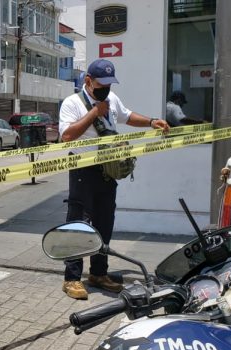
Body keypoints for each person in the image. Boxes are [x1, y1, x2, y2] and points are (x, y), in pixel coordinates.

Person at [58, 59, 169, 300]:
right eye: (101, 84)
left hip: (107, 171)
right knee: (79, 223)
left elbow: (127, 117)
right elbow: (66, 136)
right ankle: (72, 278)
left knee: (104, 221)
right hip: (82, 170)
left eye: (109, 84)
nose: (105, 88)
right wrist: (94, 113)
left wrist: (151, 122)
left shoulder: (112, 99)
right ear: (88, 81)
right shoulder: (73, 103)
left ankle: (98, 273)